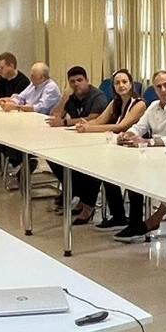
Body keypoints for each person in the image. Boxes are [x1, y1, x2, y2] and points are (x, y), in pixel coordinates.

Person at [113, 70, 166, 243]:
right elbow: (140, 126)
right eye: (159, 86)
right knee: (131, 173)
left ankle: (152, 221)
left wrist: (146, 141)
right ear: (155, 90)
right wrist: (128, 134)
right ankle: (135, 222)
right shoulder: (153, 106)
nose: (164, 89)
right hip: (154, 155)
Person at [74, 68, 146, 230]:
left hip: (135, 149)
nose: (121, 85)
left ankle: (134, 222)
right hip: (117, 145)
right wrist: (84, 124)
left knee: (128, 178)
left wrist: (89, 129)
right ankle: (118, 215)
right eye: (117, 83)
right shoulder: (116, 102)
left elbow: (122, 126)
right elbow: (100, 120)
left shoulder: (139, 103)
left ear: (131, 84)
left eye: (124, 82)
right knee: (102, 169)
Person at [45, 66, 109, 222]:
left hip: (97, 140)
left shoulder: (97, 96)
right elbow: (55, 117)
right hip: (75, 139)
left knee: (91, 165)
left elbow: (94, 118)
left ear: (87, 81)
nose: (76, 84)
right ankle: (75, 191)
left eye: (80, 80)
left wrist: (65, 122)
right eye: (72, 81)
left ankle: (87, 204)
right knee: (51, 157)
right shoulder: (71, 97)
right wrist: (64, 98)